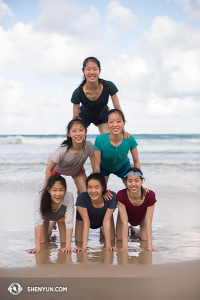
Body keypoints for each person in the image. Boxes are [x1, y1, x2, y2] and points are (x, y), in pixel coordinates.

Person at [71, 56, 127, 135]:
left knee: (107, 141)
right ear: (83, 71)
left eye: (95, 69)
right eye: (88, 69)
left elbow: (118, 109)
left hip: (103, 116)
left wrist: (122, 130)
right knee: (76, 137)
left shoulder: (109, 86)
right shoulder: (78, 92)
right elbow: (75, 118)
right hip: (84, 116)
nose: (92, 72)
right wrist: (73, 133)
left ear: (99, 71)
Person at [45, 118, 95, 193]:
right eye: (74, 131)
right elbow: (49, 169)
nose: (78, 134)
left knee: (87, 193)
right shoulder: (62, 151)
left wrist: (99, 185)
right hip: (56, 168)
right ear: (69, 134)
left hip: (76, 167)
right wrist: (47, 187)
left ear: (86, 131)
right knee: (50, 192)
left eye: (81, 130)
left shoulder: (89, 146)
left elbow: (95, 168)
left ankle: (79, 188)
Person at [27, 175, 74, 254]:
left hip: (60, 216)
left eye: (61, 190)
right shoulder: (39, 197)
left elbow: (69, 221)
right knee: (42, 241)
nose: (58, 194)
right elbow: (38, 221)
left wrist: (68, 246)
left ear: (65, 190)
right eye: (54, 190)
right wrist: (37, 248)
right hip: (46, 217)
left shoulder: (69, 196)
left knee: (64, 241)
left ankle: (55, 221)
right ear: (49, 190)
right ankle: (51, 224)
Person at [116, 167, 159, 252]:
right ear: (125, 182)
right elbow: (124, 222)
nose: (133, 184)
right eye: (130, 181)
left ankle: (133, 229)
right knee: (120, 238)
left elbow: (148, 222)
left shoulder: (150, 195)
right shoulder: (121, 194)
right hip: (124, 217)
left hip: (142, 217)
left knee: (144, 238)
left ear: (142, 181)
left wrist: (150, 247)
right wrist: (125, 246)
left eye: (136, 180)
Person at [93, 109, 140, 184]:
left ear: (123, 123)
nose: (115, 125)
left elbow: (136, 161)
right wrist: (98, 184)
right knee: (100, 190)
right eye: (111, 122)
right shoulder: (100, 139)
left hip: (123, 166)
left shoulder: (129, 139)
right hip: (104, 168)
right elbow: (96, 165)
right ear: (107, 124)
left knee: (133, 188)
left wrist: (138, 179)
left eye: (118, 121)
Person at [74, 173, 117, 252]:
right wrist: (84, 248)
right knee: (79, 241)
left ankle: (102, 227)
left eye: (96, 187)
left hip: (104, 218)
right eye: (90, 187)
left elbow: (107, 220)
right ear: (86, 188)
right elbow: (86, 223)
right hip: (84, 219)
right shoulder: (81, 198)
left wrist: (108, 246)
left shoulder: (111, 197)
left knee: (111, 239)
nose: (93, 191)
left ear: (103, 187)